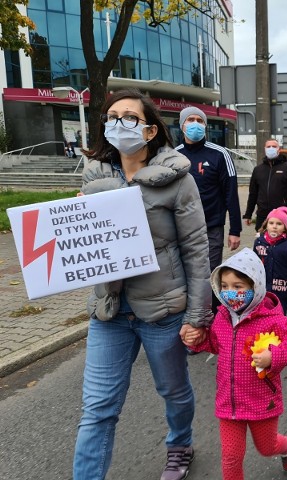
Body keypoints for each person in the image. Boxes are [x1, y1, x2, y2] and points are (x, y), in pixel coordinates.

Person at [73, 89, 212, 480]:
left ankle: (180, 445)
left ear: (150, 130)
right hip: (111, 310)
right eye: (111, 116)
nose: (118, 123)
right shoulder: (94, 176)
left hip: (164, 311)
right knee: (98, 408)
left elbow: (197, 250)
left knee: (174, 391)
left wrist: (197, 315)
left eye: (129, 117)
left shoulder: (178, 180)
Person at [182, 248, 287, 479]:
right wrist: (198, 339)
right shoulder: (222, 316)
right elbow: (216, 344)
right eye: (225, 286)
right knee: (230, 458)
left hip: (262, 401)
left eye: (238, 287)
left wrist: (273, 356)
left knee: (267, 448)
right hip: (228, 403)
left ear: (255, 286)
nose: (230, 293)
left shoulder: (273, 319)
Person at [175, 106, 242, 308]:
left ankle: (212, 319)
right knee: (184, 276)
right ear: (182, 125)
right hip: (181, 229)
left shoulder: (220, 154)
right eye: (190, 120)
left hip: (211, 227)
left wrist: (235, 230)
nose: (195, 124)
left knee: (209, 275)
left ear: (205, 125)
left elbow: (231, 193)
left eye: (200, 120)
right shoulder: (173, 156)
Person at [243, 139, 287, 231]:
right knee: (262, 243)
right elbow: (253, 194)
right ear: (265, 149)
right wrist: (248, 214)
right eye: (268, 146)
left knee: (283, 243)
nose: (271, 148)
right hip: (263, 215)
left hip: (282, 215)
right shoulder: (258, 170)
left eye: (274, 146)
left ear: (279, 149)